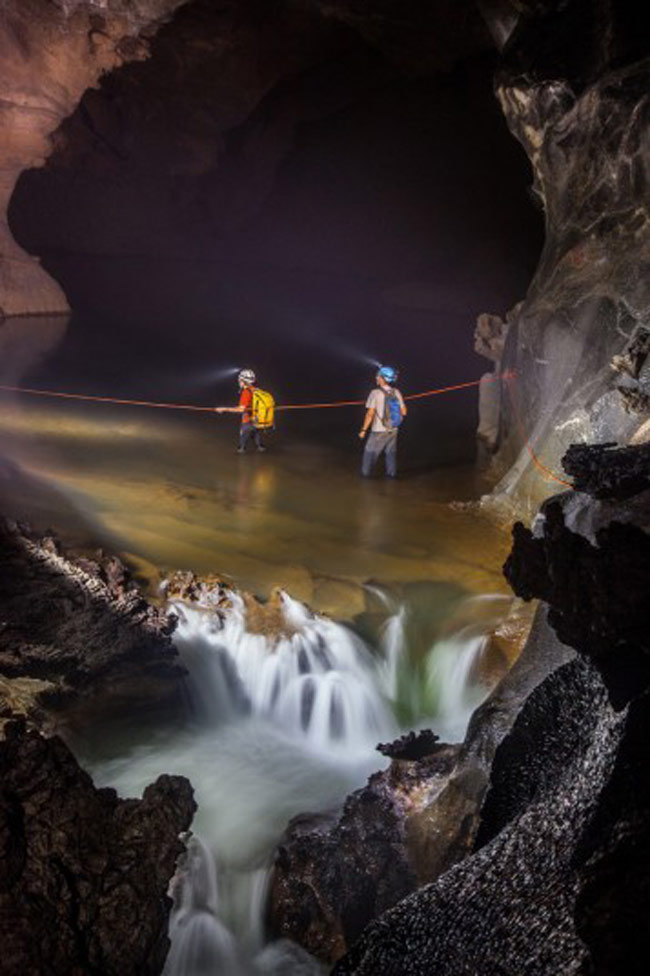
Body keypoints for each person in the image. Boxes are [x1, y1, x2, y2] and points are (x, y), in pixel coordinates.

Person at [359, 365, 407, 478]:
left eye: (378, 376)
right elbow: (404, 412)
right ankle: (391, 476)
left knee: (368, 453)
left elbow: (370, 414)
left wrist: (363, 430)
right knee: (390, 453)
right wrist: (394, 421)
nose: (376, 378)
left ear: (382, 378)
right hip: (394, 429)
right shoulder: (396, 391)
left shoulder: (375, 393)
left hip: (378, 431)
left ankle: (365, 477)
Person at [215, 368, 266, 453]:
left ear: (243, 380)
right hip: (258, 419)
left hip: (248, 420)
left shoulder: (246, 392)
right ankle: (260, 447)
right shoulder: (257, 390)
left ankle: (241, 449)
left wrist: (224, 409)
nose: (239, 381)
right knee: (255, 431)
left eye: (240, 380)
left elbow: (240, 409)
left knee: (243, 434)